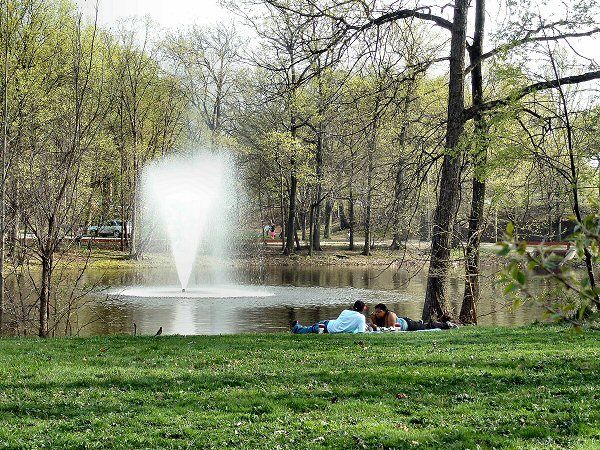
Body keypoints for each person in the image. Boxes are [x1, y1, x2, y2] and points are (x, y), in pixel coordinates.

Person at [291, 300, 368, 334]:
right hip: (327, 327)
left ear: (353, 307)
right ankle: (296, 327)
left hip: (327, 326)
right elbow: (361, 332)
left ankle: (296, 327)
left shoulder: (345, 311)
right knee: (311, 329)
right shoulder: (361, 317)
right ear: (362, 309)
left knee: (310, 329)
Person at [369, 303, 458, 331]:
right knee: (422, 325)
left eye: (379, 312)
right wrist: (373, 322)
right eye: (376, 312)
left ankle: (447, 325)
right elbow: (378, 327)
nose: (377, 314)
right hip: (402, 322)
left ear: (384, 311)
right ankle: (419, 322)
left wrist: (376, 328)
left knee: (427, 326)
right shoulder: (375, 316)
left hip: (408, 324)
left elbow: (391, 329)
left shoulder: (390, 315)